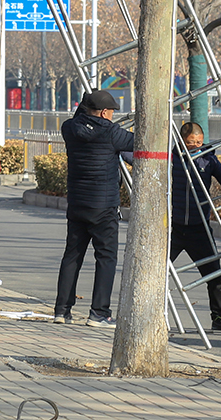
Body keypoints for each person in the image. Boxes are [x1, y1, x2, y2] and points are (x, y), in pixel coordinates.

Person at [53, 89, 136, 327]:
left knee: (72, 255)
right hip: (104, 204)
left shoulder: (69, 129)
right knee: (106, 258)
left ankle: (62, 310)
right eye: (110, 112)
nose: (111, 116)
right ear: (103, 112)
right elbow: (139, 141)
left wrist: (84, 106)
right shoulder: (111, 133)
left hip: (77, 202)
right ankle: (99, 312)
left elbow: (78, 118)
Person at [171, 121, 221, 333]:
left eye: (198, 142)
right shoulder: (170, 158)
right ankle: (150, 312)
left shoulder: (208, 159)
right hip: (172, 228)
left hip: (200, 228)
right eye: (190, 143)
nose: (195, 146)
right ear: (181, 141)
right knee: (156, 272)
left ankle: (220, 317)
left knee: (214, 273)